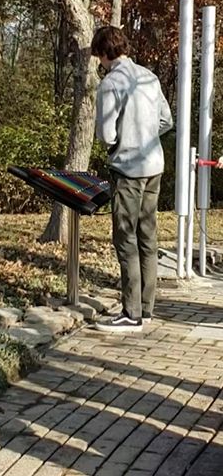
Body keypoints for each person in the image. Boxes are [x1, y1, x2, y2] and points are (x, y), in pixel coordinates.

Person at [92, 26, 173, 333]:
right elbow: (167, 119)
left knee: (125, 238)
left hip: (127, 169)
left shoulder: (111, 83)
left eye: (97, 55)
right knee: (147, 237)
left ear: (103, 52)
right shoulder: (148, 77)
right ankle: (147, 309)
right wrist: (147, 135)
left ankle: (131, 313)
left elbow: (107, 133)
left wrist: (120, 142)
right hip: (154, 165)